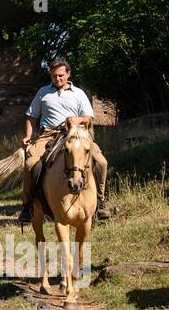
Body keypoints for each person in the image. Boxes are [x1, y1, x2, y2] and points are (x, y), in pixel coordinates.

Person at [20, 57, 108, 222]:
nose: (58, 78)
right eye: (54, 76)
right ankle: (28, 206)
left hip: (76, 134)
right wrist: (28, 136)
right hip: (49, 135)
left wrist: (78, 120)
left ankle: (101, 202)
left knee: (101, 163)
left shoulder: (79, 93)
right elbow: (31, 116)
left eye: (61, 75)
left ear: (68, 74)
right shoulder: (43, 92)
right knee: (30, 164)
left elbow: (89, 118)